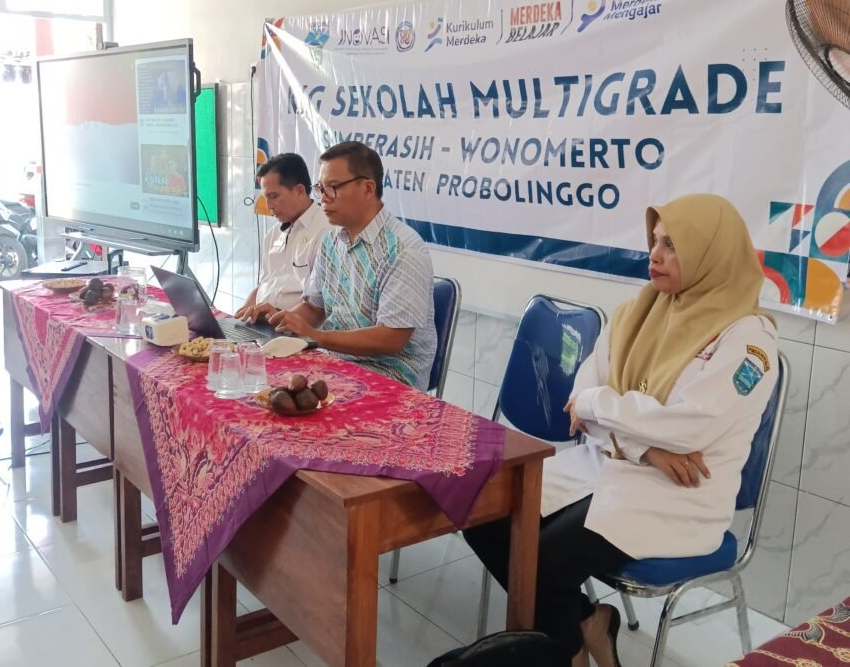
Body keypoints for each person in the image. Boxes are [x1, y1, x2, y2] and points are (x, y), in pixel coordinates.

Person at [463, 194, 779, 667]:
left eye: (672, 245)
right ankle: (586, 622)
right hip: (612, 463)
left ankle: (566, 654)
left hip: (679, 494)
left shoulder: (748, 339)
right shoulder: (638, 311)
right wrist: (643, 447)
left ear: (711, 254)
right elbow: (580, 398)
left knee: (544, 560)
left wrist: (601, 407)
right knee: (483, 513)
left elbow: (687, 428)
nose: (654, 255)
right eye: (655, 241)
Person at [268, 141, 437, 389]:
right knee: (264, 385)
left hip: (391, 377)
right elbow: (314, 307)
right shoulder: (331, 242)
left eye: (333, 188)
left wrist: (317, 336)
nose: (323, 198)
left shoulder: (403, 250)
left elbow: (391, 338)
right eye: (320, 188)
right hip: (337, 365)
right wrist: (281, 319)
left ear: (368, 188)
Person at [235, 153, 331, 322]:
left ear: (299, 191)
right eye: (265, 198)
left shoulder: (326, 232)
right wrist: (241, 316)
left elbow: (321, 306)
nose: (269, 206)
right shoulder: (273, 234)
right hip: (264, 325)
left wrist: (277, 315)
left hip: (298, 332)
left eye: (273, 196)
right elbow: (265, 284)